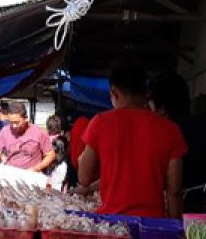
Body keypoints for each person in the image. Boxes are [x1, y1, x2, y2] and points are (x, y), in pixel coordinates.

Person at [77, 65, 187, 218]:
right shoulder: (170, 129)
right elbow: (174, 191)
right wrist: (176, 229)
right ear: (145, 92)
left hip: (112, 225)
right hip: (152, 224)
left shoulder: (100, 122)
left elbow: (84, 178)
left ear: (114, 93)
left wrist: (83, 159)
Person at [148, 71, 206, 213]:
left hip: (187, 208)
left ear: (162, 108)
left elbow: (174, 190)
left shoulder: (168, 132)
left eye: (149, 104)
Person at [0, 101, 56, 172]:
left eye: (17, 122)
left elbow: (51, 155)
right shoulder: (5, 131)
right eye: (11, 122)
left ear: (25, 119)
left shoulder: (39, 133)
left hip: (31, 176)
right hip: (10, 173)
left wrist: (36, 168)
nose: (14, 126)